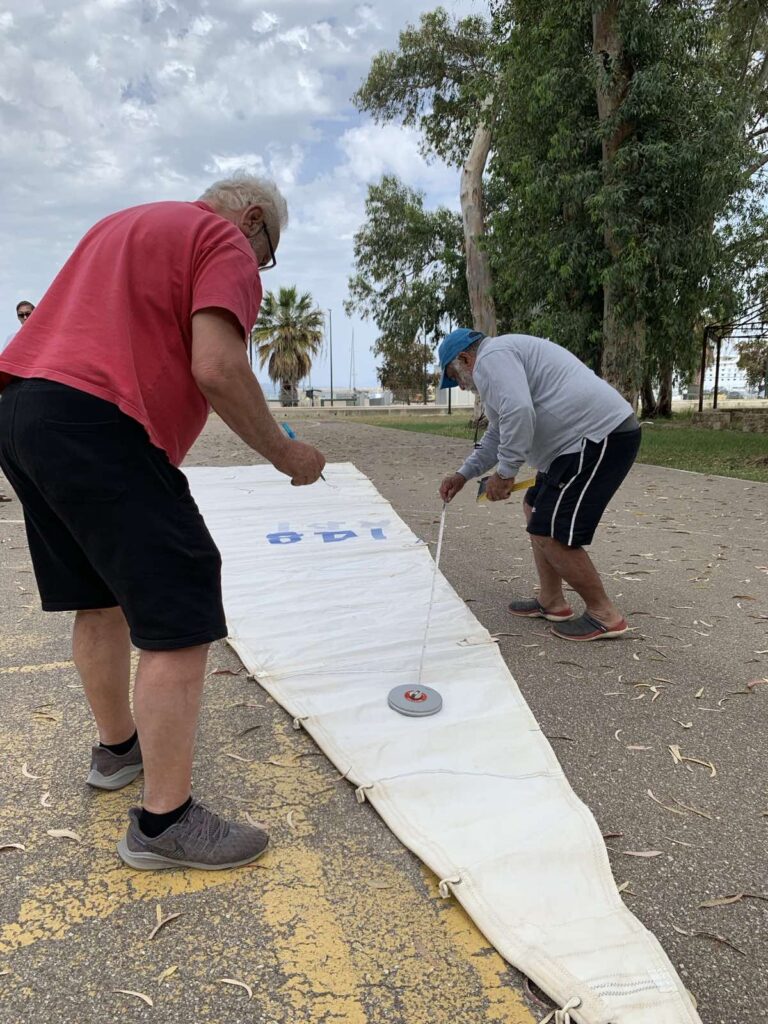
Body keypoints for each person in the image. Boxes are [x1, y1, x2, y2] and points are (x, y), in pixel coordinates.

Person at [0, 174, 326, 870]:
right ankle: (164, 822)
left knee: (99, 595)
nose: (259, 269)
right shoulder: (222, 239)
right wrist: (286, 453)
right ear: (255, 217)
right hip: (97, 419)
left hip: (23, 410)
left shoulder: (123, 226)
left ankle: (119, 750)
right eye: (267, 256)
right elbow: (216, 365)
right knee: (183, 595)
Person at [438, 328, 641, 642]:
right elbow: (497, 434)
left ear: (466, 358)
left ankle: (604, 615)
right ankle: (552, 602)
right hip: (575, 445)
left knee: (549, 530)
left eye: (456, 376)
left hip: (600, 437)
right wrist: (463, 474)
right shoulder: (500, 366)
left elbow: (519, 411)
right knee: (534, 507)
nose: (462, 386)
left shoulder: (493, 357)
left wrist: (505, 473)